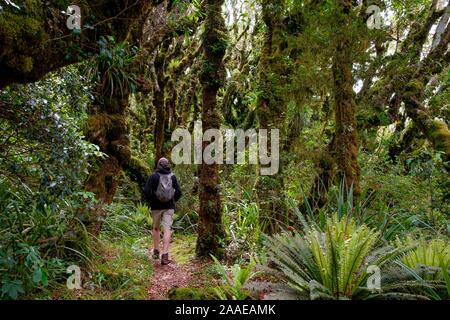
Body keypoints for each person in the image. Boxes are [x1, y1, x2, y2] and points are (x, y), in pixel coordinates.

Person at [143, 157, 182, 265]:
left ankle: (156, 251)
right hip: (169, 207)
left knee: (155, 228)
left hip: (156, 207)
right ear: (168, 164)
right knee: (167, 229)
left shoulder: (153, 176)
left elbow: (146, 191)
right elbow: (179, 192)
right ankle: (165, 255)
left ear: (158, 165)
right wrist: (173, 201)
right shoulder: (172, 176)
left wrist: (152, 200)